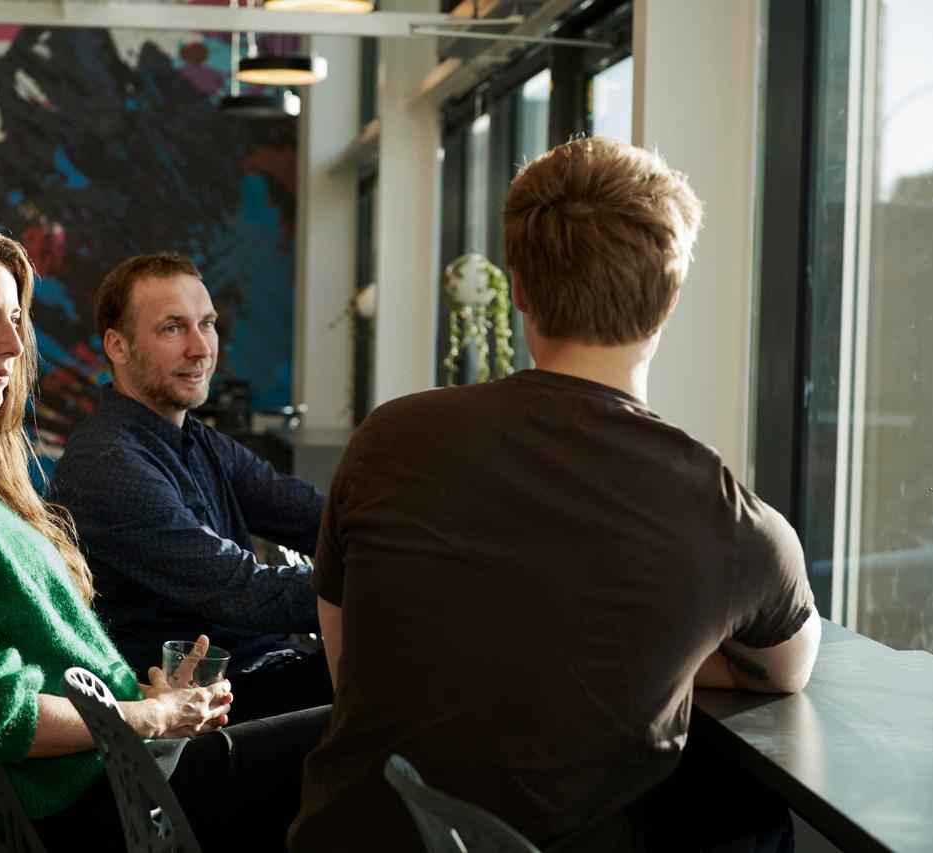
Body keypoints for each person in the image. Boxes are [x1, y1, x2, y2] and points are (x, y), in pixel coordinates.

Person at [288, 138, 821, 852]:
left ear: (519, 290)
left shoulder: (388, 438)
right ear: (668, 299)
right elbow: (785, 671)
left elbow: (353, 667)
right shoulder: (730, 521)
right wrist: (660, 638)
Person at [0, 222, 327, 851]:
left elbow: (46, 665)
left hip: (128, 771)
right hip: (107, 804)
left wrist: (148, 697)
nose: (16, 344)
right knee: (380, 729)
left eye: (17, 318)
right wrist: (148, 717)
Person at [48, 252, 332, 722]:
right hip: (197, 718)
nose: (201, 349)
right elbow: (241, 589)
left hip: (252, 676)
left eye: (208, 324)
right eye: (173, 328)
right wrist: (375, 585)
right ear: (117, 347)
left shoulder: (193, 437)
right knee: (396, 679)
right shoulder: (109, 464)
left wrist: (404, 543)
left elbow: (312, 514)